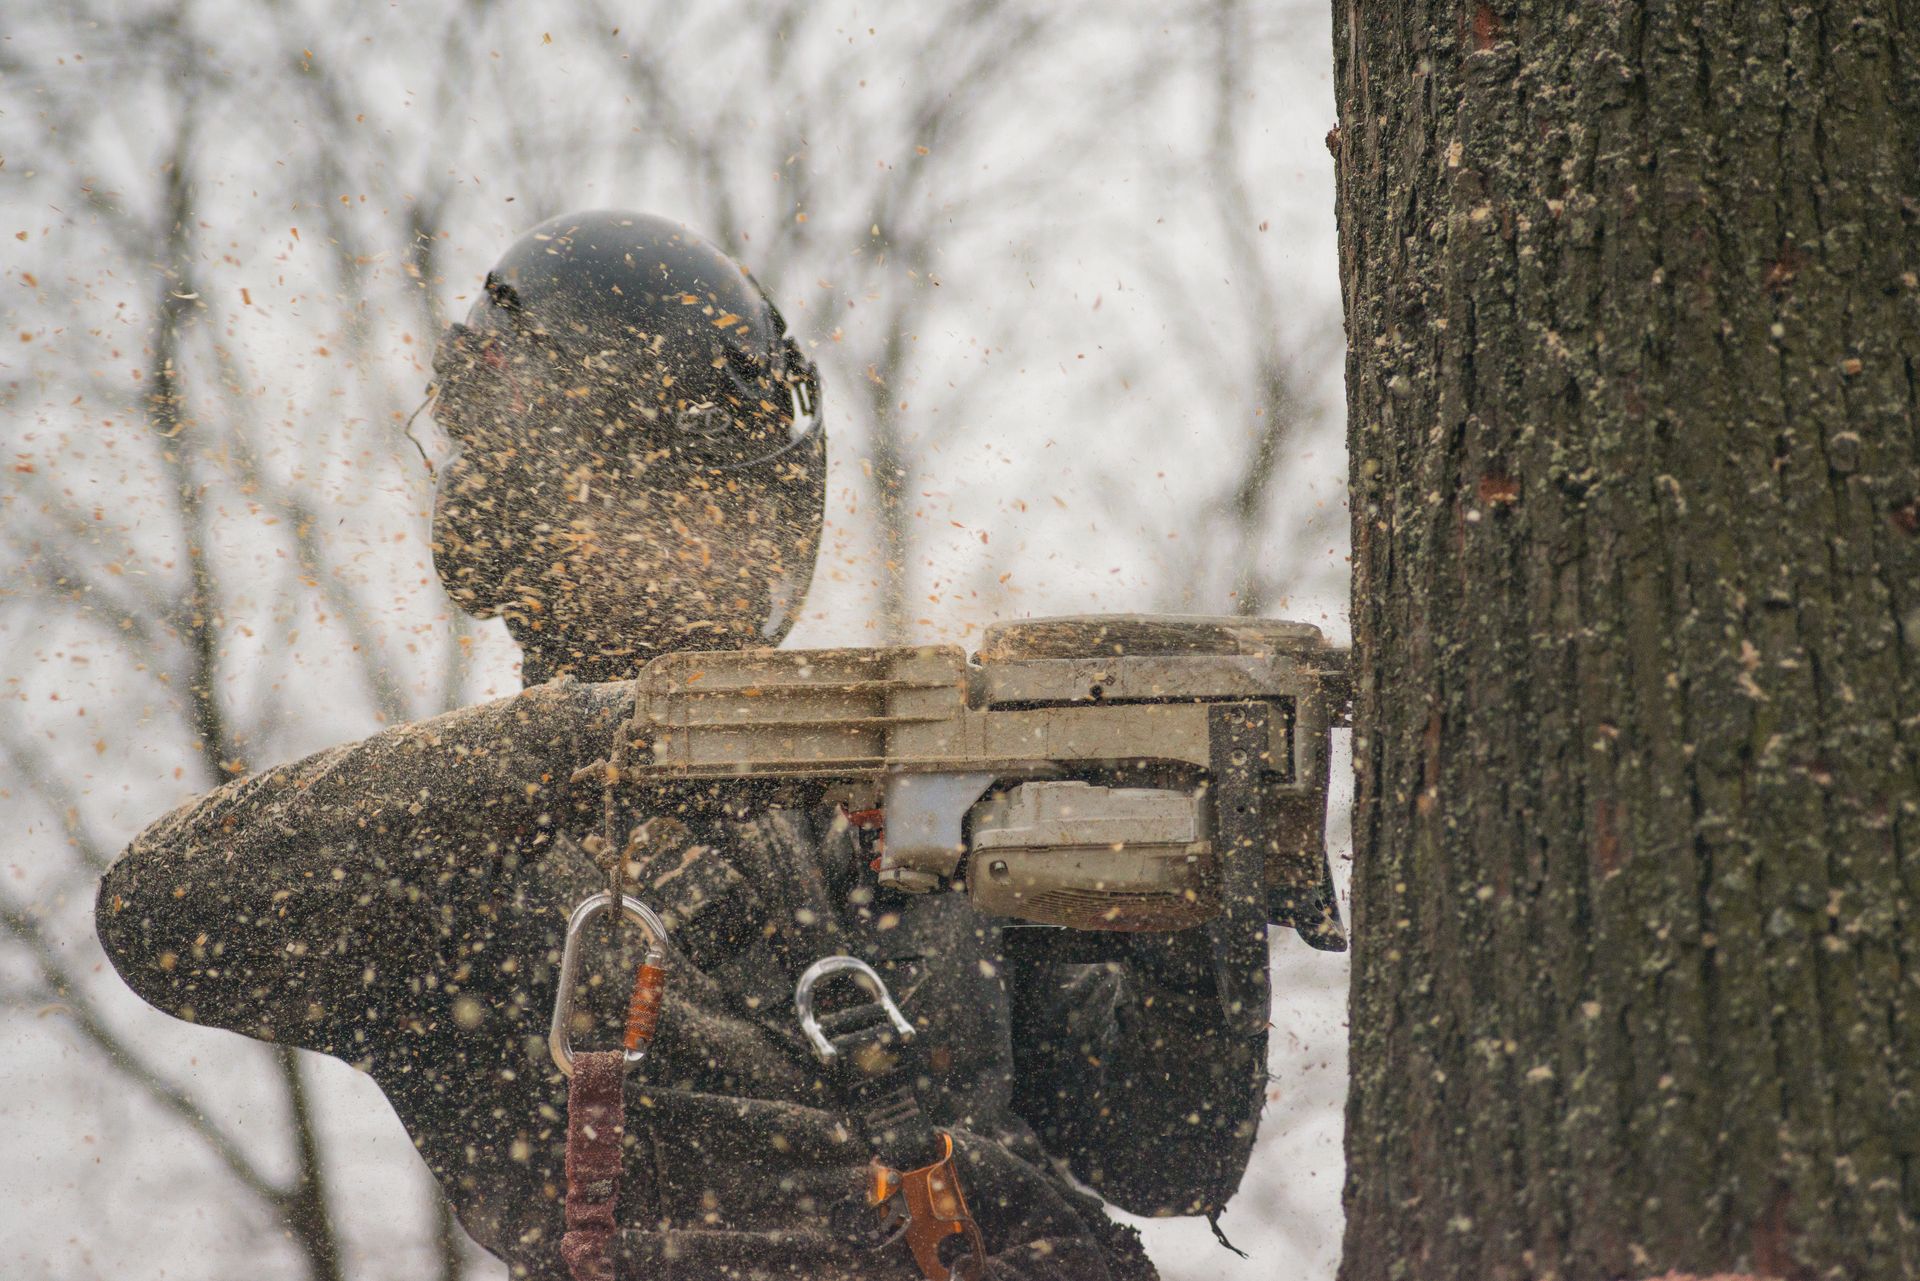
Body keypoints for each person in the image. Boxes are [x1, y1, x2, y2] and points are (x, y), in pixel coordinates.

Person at [95, 211, 1271, 1280]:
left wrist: (1182, 860)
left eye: (729, 501)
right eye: (692, 499)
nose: (714, 535)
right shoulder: (469, 843)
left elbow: (1170, 1150)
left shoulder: (912, 785)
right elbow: (166, 906)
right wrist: (618, 736)